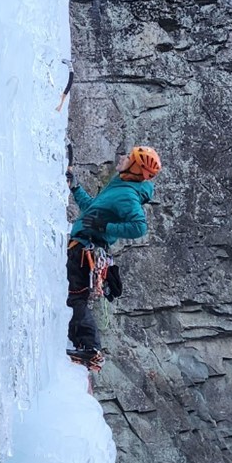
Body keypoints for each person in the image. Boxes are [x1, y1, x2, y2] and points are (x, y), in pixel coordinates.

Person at [66, 146, 162, 370]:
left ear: (136, 167)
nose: (123, 158)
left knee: (76, 297)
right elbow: (93, 209)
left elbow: (139, 227)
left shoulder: (128, 195)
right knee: (72, 296)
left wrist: (104, 226)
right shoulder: (120, 185)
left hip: (86, 248)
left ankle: (90, 348)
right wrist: (76, 187)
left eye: (129, 157)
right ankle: (77, 342)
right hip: (81, 245)